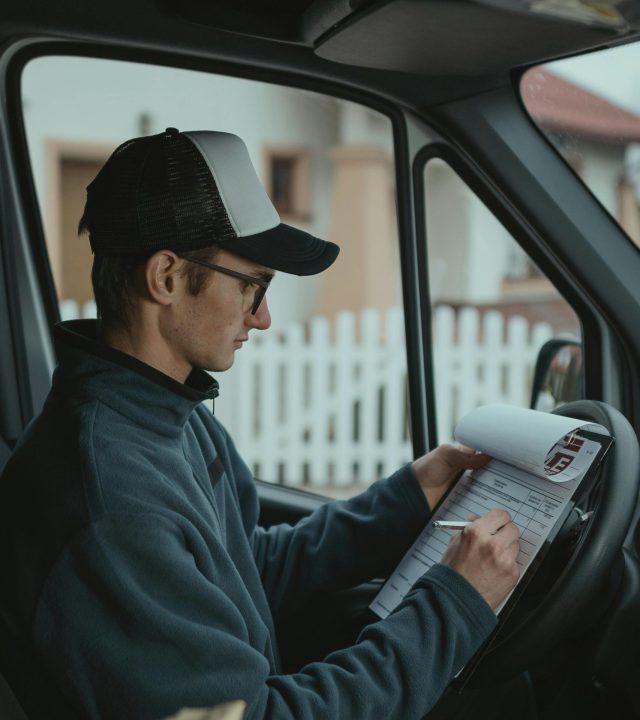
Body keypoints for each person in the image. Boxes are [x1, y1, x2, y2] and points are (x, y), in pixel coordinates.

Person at [0, 128, 520, 720]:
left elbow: (249, 571)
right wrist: (455, 605)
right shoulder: (110, 503)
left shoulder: (166, 416)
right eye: (252, 285)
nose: (265, 317)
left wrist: (408, 498)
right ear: (166, 277)